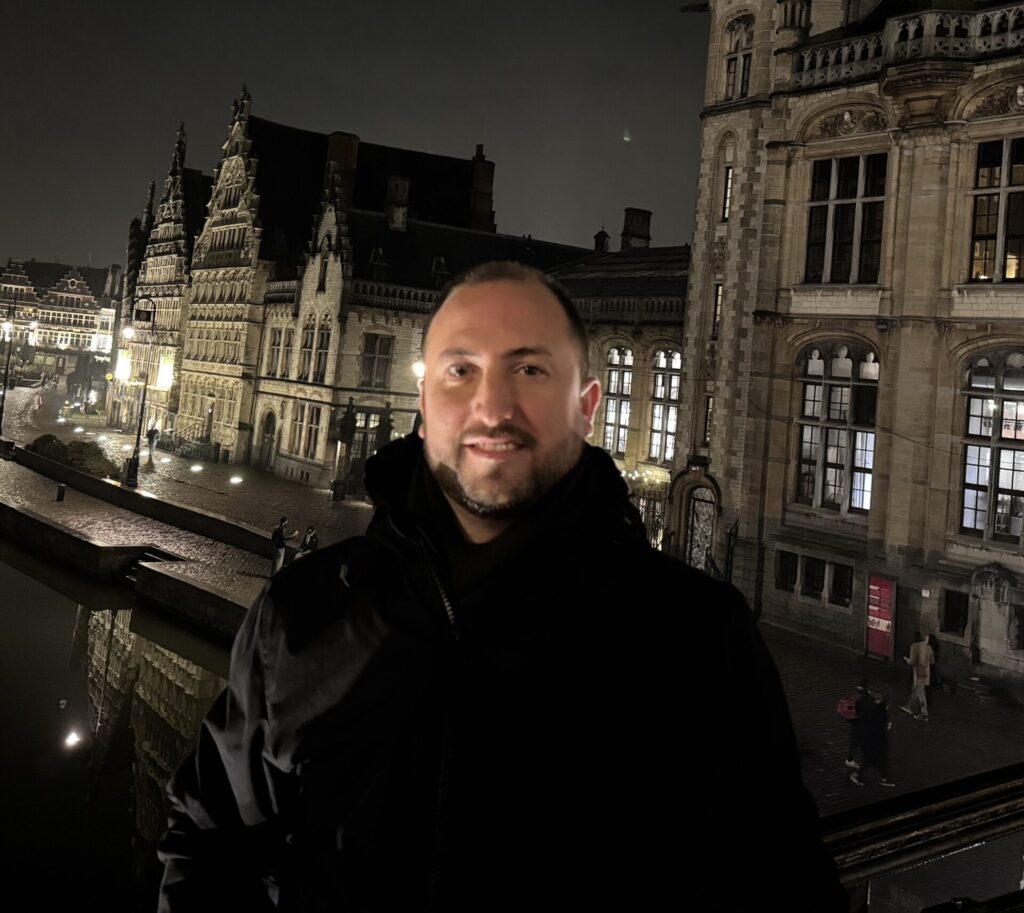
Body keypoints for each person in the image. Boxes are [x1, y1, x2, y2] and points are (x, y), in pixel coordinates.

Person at [158, 262, 847, 912]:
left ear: (586, 408)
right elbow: (206, 844)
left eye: (530, 369)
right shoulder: (299, 614)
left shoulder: (697, 641)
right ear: (423, 405)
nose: (492, 405)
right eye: (461, 370)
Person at [850, 686, 895, 788]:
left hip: (877, 740)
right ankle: (859, 774)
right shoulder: (877, 711)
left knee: (878, 761)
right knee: (873, 761)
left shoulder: (877, 709)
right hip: (875, 741)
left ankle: (883, 778)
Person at [901, 630, 935, 721]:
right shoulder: (929, 648)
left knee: (920, 693)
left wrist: (906, 659)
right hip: (926, 672)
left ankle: (924, 713)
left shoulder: (915, 646)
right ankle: (909, 706)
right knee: (916, 689)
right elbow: (932, 661)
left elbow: (912, 661)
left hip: (918, 672)